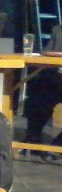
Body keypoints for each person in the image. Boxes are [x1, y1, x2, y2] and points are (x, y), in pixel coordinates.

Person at [24, 25, 62, 160]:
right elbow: (46, 52)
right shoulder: (58, 30)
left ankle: (58, 147)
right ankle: (32, 140)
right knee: (38, 95)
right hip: (57, 77)